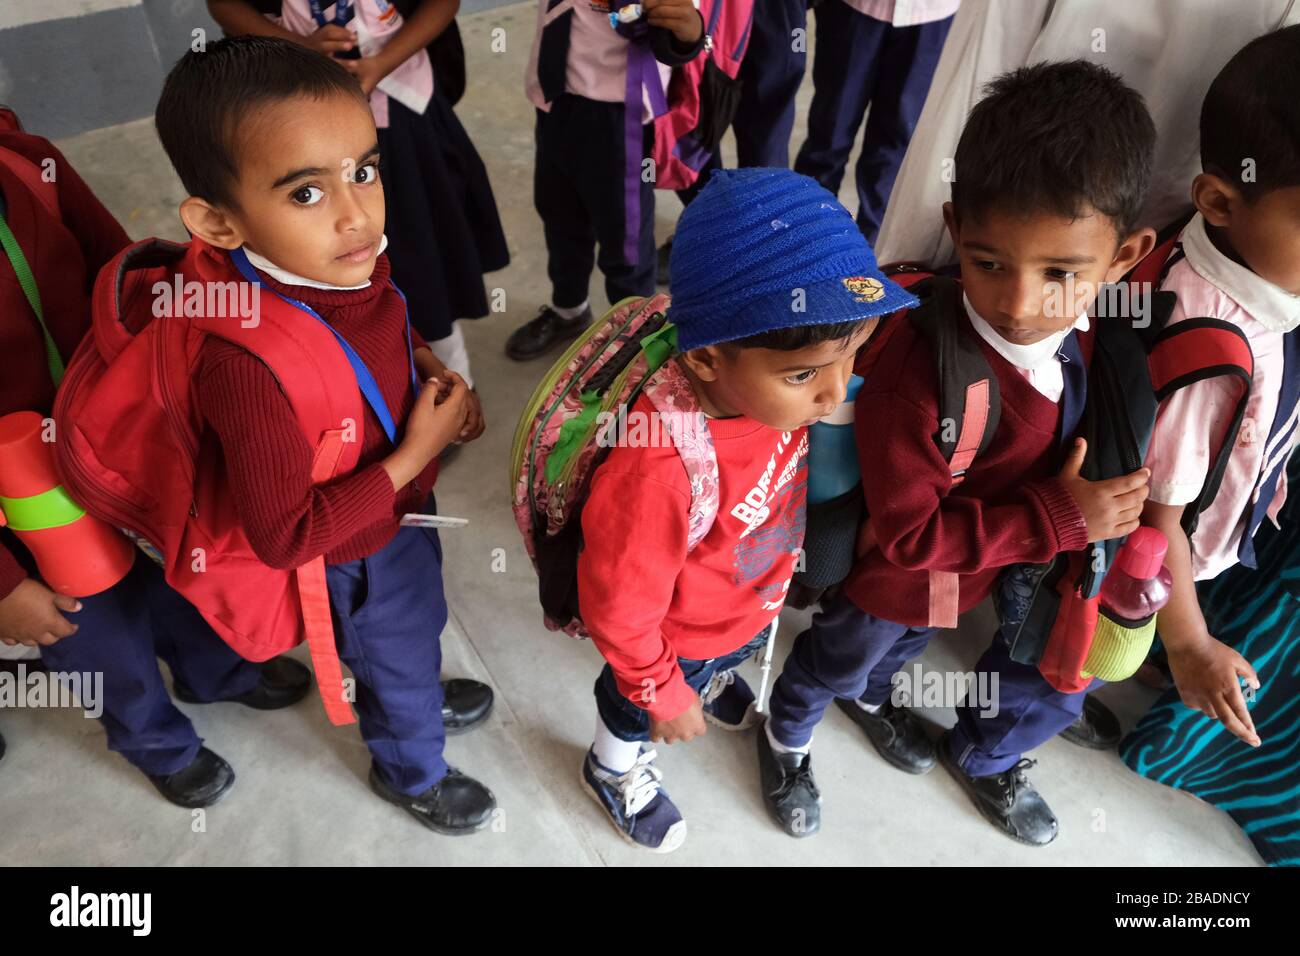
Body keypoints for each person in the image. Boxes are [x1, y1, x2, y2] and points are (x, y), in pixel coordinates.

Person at [760, 61, 1157, 846]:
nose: (1017, 302)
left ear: (1124, 259)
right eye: (988, 263)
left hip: (964, 579)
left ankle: (868, 700)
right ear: (954, 227)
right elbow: (909, 540)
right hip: (894, 578)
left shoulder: (1086, 340)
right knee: (838, 657)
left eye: (1060, 273)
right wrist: (1061, 517)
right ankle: (786, 737)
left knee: (906, 648)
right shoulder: (920, 377)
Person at [149, 37, 496, 832]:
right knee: (391, 635)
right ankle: (411, 769)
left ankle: (408, 685)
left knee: (409, 632)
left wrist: (426, 374)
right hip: (353, 553)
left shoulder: (341, 263)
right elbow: (285, 535)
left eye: (364, 170)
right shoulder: (242, 363)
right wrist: (417, 450)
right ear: (217, 221)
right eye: (306, 192)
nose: (357, 214)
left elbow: (375, 331)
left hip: (398, 509)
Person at [577, 167, 914, 851]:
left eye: (850, 356)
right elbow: (618, 606)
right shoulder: (661, 470)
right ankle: (611, 766)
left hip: (741, 600)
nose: (833, 393)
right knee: (630, 710)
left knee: (726, 648)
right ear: (705, 359)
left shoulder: (765, 392)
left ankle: (715, 668)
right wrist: (661, 689)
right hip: (675, 640)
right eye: (803, 374)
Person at [0, 110, 310, 807]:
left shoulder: (24, 158)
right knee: (88, 629)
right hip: (20, 499)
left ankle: (217, 673)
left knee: (177, 567)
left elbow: (122, 264)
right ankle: (157, 742)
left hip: (115, 432)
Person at [208, 0, 509, 387]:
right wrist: (298, 47)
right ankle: (369, 373)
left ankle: (451, 380)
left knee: (424, 253)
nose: (353, 215)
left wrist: (381, 63)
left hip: (401, 100)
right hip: (297, 110)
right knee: (333, 265)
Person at [505, 0, 706, 361]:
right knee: (559, 215)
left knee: (625, 244)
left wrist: (689, 32)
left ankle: (636, 340)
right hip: (555, 96)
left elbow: (678, 35)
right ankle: (569, 310)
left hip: (618, 117)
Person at [794, 0, 957, 243]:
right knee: (830, 131)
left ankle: (869, 256)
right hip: (854, 8)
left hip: (931, 14)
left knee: (896, 141)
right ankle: (805, 236)